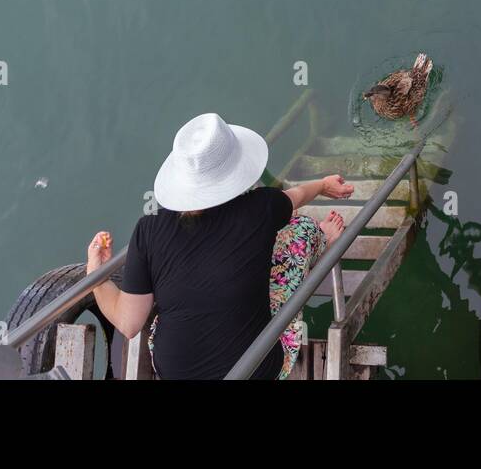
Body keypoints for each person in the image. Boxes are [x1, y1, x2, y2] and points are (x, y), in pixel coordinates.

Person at [85, 112, 354, 379]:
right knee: (300, 229)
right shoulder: (261, 207)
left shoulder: (148, 229)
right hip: (254, 369)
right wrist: (322, 185)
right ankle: (324, 239)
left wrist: (95, 275)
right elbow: (294, 197)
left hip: (175, 372)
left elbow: (129, 323)